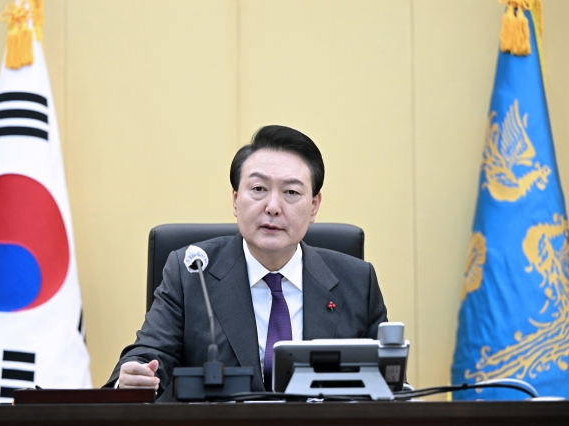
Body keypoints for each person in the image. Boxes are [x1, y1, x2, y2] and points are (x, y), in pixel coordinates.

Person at [104, 125, 387, 397]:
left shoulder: (357, 282)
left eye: (291, 192)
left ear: (314, 206)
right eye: (259, 189)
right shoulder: (191, 273)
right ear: (236, 200)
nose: (273, 207)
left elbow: (389, 384)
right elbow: (151, 354)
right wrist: (133, 378)